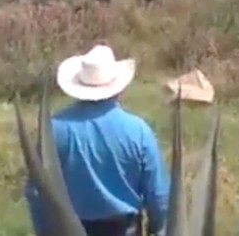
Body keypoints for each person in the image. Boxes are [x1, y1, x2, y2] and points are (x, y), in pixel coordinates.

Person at [25, 45, 170, 236]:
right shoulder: (138, 131)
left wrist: (46, 231)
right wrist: (157, 228)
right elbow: (158, 196)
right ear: (118, 88)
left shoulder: (54, 130)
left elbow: (37, 191)